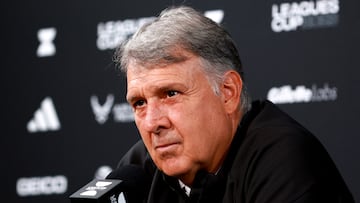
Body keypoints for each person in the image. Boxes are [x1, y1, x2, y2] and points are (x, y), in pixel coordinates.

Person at [113, 5, 354, 203]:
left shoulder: (283, 160)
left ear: (228, 93)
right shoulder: (138, 167)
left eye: (171, 93)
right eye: (140, 102)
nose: (153, 122)